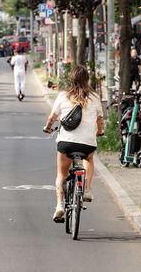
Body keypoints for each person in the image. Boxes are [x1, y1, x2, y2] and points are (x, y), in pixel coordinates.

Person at [43, 66, 105, 222]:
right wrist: (99, 132)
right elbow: (100, 120)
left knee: (61, 175)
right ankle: (87, 190)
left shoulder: (64, 96)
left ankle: (59, 206)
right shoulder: (94, 97)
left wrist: (48, 127)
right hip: (87, 144)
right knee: (89, 159)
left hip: (66, 143)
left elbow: (52, 117)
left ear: (71, 79)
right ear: (87, 79)